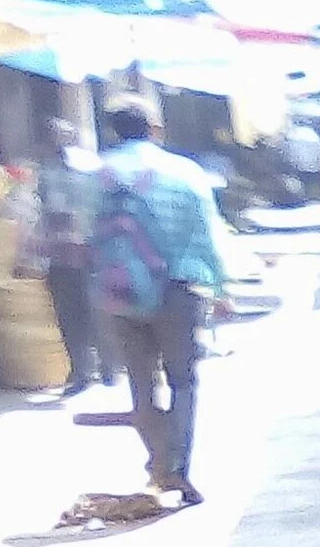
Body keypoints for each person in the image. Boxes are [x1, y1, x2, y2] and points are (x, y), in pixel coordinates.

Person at [95, 98, 227, 505]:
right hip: (177, 290)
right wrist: (221, 287)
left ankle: (157, 458)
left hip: (120, 294)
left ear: (114, 131)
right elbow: (207, 233)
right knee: (184, 381)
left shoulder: (99, 175)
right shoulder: (185, 173)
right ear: (155, 128)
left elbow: (86, 233)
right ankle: (176, 467)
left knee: (140, 383)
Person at [32, 119, 116, 394]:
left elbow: (56, 212)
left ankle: (81, 372)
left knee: (70, 315)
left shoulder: (52, 172)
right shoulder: (95, 167)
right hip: (97, 251)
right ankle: (108, 367)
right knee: (97, 310)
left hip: (66, 254)